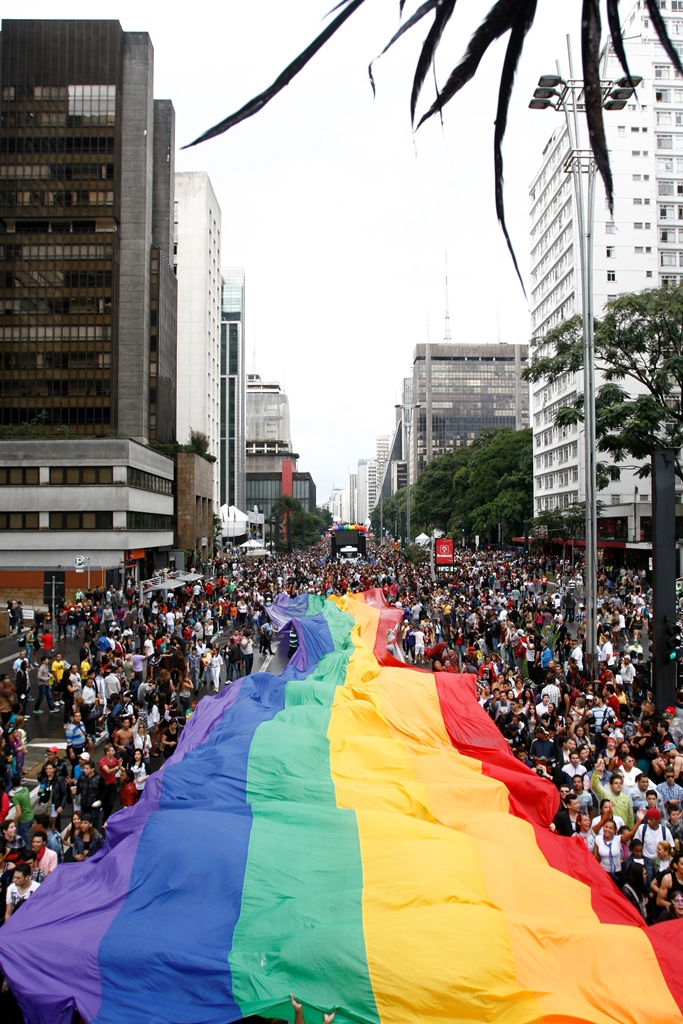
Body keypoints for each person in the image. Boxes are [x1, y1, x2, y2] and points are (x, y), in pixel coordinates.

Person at [10, 773, 34, 846]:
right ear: (20, 782)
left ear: (11, 784)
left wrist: (12, 822)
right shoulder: (26, 789)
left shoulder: (16, 797)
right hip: (31, 816)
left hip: (23, 820)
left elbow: (18, 813)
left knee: (24, 842)